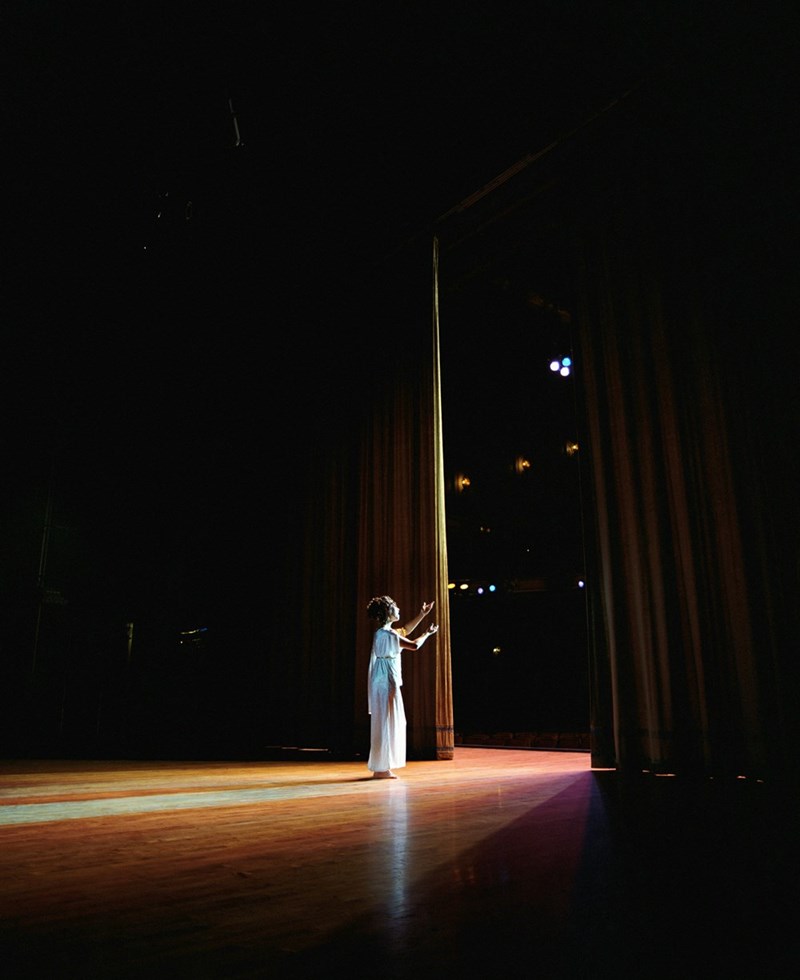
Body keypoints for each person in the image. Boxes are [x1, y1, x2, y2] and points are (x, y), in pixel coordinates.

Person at [366, 595, 438, 779]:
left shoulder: (385, 633)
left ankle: (382, 767)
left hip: (383, 679)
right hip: (384, 680)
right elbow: (413, 645)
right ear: (388, 613)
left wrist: (422, 615)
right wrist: (427, 634)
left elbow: (405, 630)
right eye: (395, 607)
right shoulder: (387, 634)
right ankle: (380, 768)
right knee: (386, 720)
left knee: (388, 720)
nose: (398, 609)